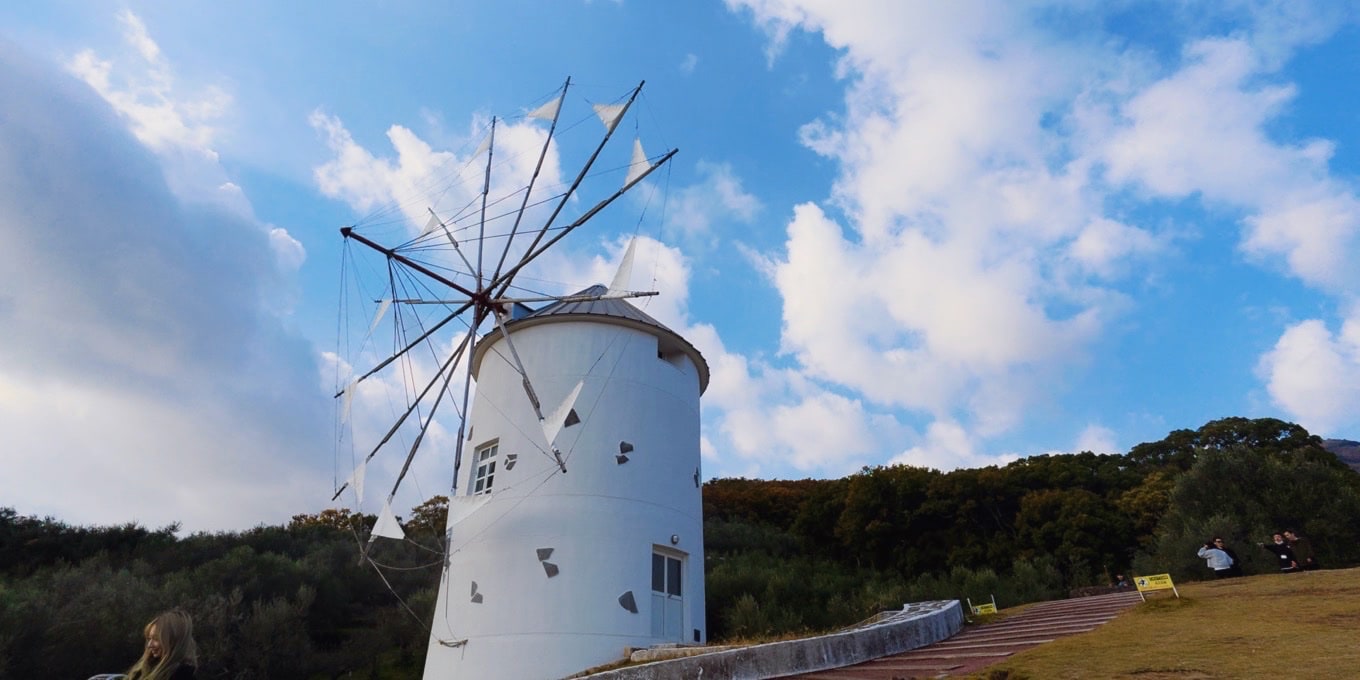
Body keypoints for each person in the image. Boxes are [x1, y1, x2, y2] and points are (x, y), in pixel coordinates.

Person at [125, 609, 197, 680]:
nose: (149, 645)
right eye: (149, 638)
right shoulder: (142, 670)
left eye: (156, 639)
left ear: (172, 641)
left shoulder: (182, 676)